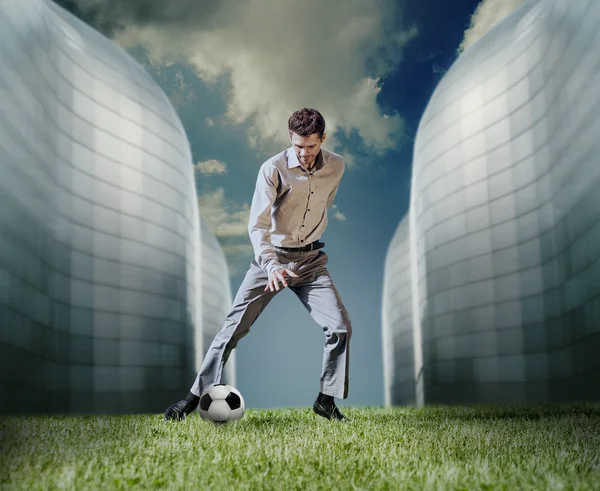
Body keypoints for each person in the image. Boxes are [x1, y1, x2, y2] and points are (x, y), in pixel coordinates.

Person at [164, 108, 352, 422]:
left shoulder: (336, 166)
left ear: (323, 139)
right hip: (271, 260)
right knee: (232, 331)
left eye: (312, 146)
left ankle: (326, 400)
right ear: (290, 139)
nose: (305, 153)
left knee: (340, 327)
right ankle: (193, 398)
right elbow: (258, 224)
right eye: (298, 146)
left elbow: (324, 203)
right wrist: (272, 266)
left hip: (311, 263)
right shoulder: (272, 168)